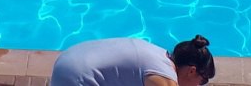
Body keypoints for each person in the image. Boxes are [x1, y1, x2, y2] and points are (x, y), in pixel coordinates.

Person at [48, 36, 216, 86]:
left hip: (68, 57)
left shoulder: (159, 54)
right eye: (201, 82)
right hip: (75, 78)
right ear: (192, 70)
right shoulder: (165, 80)